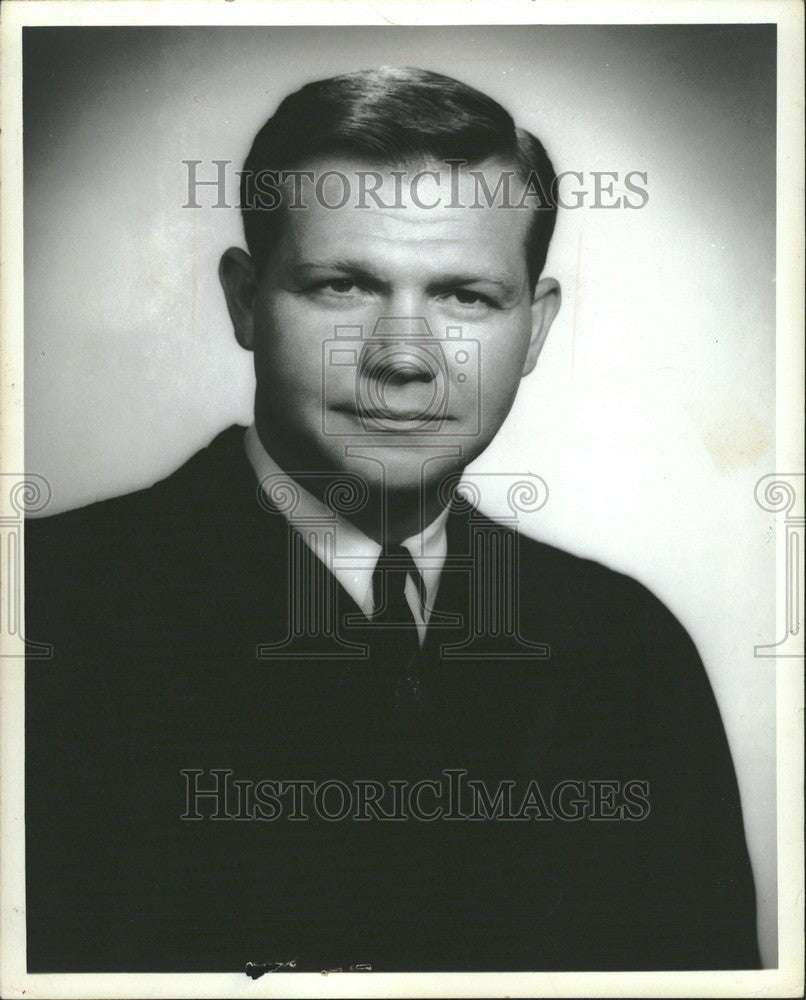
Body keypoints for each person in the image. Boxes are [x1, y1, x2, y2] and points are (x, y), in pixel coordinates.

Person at [25, 67, 760, 973]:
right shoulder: (45, 613)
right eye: (342, 285)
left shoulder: (628, 651)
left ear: (533, 329)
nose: (404, 356)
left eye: (465, 296)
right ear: (245, 302)